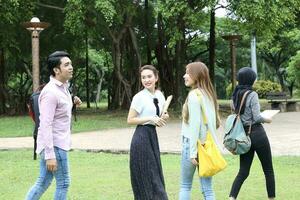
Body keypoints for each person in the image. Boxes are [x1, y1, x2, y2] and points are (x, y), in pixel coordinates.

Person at [26, 51, 82, 200]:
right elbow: (45, 125)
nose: (71, 67)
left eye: (70, 64)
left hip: (56, 144)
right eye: (66, 65)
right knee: (63, 183)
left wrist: (72, 102)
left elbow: (59, 113)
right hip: (54, 146)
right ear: (56, 70)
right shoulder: (50, 92)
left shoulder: (63, 87)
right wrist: (50, 155)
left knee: (43, 182)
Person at [229, 67, 275, 200]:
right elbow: (256, 117)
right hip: (258, 134)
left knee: (243, 171)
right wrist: (267, 119)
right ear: (250, 80)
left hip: (243, 136)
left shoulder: (234, 96)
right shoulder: (252, 94)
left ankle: (232, 198)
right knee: (268, 170)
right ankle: (271, 198)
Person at [179, 62, 221, 200]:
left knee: (185, 185)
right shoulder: (209, 94)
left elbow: (194, 126)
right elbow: (214, 124)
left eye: (188, 73)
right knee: (208, 190)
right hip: (206, 146)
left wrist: (192, 153)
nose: (185, 76)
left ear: (196, 75)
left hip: (192, 145)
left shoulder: (193, 95)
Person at [127, 65, 169, 200]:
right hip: (141, 138)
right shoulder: (139, 97)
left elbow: (162, 114)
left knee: (155, 175)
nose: (146, 80)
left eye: (149, 76)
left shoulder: (159, 95)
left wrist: (164, 117)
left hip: (152, 137)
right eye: (143, 77)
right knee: (148, 178)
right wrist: (150, 119)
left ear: (156, 78)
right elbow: (130, 119)